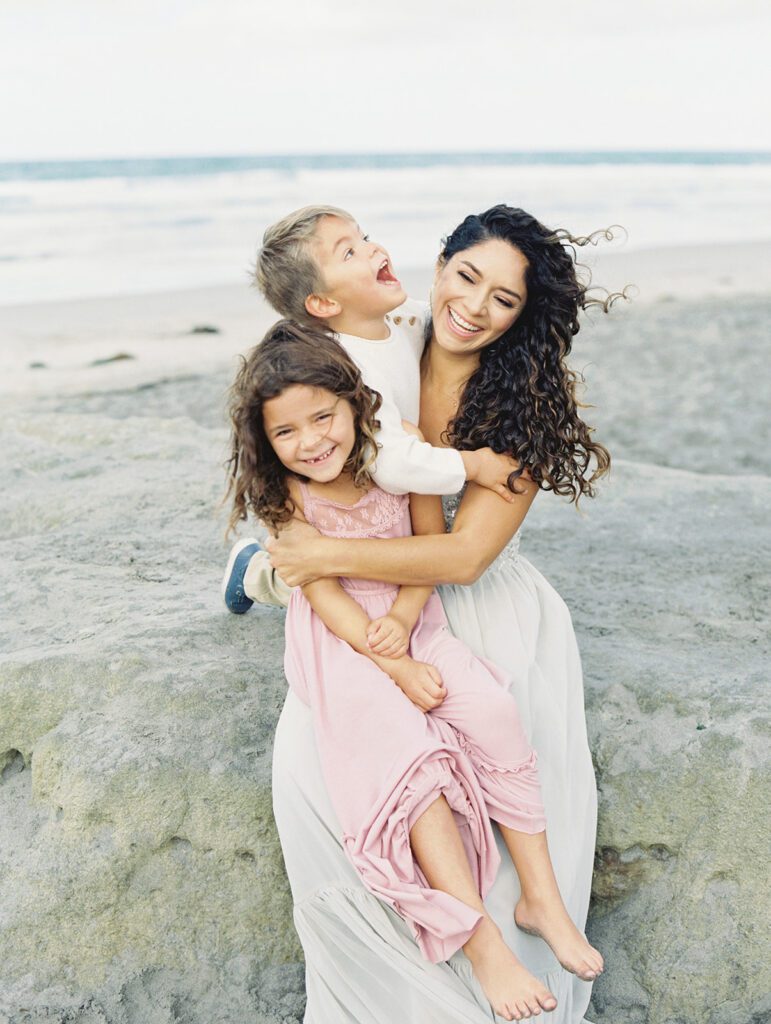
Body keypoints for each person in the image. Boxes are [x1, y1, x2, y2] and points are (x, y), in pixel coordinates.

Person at [226, 203, 620, 1022]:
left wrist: (320, 558)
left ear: (523, 316)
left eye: (503, 300)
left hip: (465, 598)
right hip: (367, 593)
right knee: (321, 769)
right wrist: (299, 543)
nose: (474, 306)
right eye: (466, 276)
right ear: (438, 266)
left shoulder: (522, 406)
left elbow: (462, 557)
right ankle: (261, 571)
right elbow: (283, 423)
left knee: (491, 730)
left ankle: (522, 922)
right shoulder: (379, 341)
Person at [222, 205, 522, 617]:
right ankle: (255, 573)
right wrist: (473, 466)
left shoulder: (396, 320)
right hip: (353, 491)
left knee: (377, 568)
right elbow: (392, 463)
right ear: (324, 303)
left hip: (393, 501)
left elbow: (443, 317)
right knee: (337, 579)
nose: (372, 249)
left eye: (364, 237)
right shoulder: (349, 370)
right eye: (349, 253)